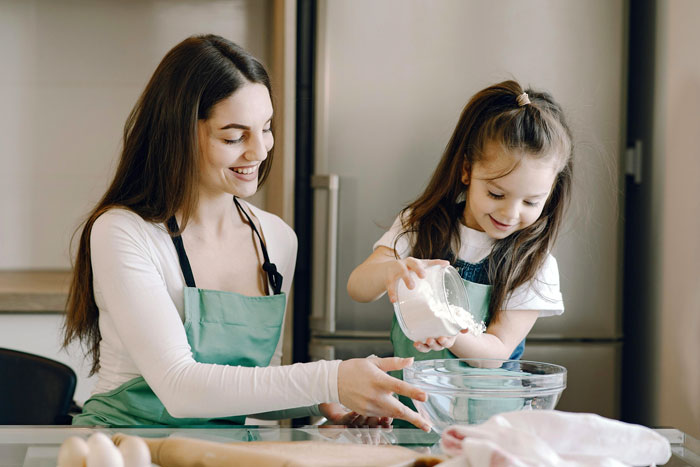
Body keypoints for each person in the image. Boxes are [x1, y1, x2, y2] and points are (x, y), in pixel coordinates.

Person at [62, 34, 429, 430]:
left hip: (217, 451)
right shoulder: (123, 232)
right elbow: (180, 388)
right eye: (235, 136)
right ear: (180, 133)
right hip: (121, 446)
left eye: (266, 128)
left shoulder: (275, 240)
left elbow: (250, 389)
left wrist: (327, 398)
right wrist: (330, 378)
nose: (259, 151)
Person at [347, 80, 573, 415]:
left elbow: (495, 353)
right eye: (496, 194)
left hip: (490, 423)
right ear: (467, 170)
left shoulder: (534, 263)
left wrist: (448, 331)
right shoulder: (421, 225)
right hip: (412, 413)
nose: (510, 213)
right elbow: (358, 288)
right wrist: (389, 272)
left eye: (531, 201)